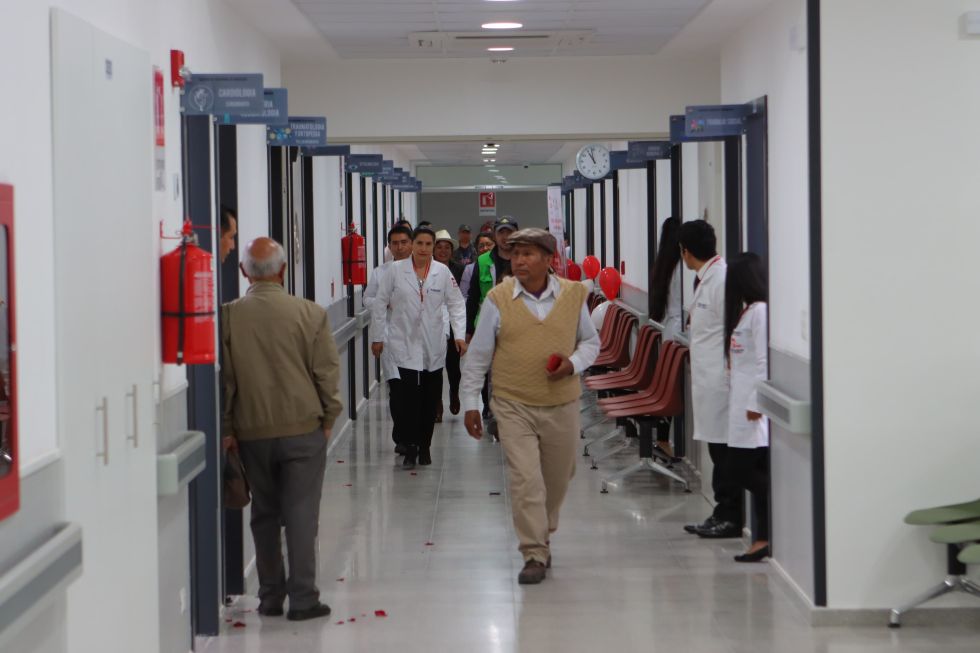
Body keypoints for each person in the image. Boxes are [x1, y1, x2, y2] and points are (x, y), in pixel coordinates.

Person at [462, 228, 599, 585]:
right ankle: (534, 551)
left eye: (528, 254)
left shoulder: (572, 295)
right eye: (515, 254)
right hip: (513, 404)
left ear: (548, 259)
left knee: (558, 477)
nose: (519, 260)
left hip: (561, 403)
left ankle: (543, 530)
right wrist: (471, 402)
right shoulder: (498, 299)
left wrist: (572, 364)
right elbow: (478, 355)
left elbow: (591, 343)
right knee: (525, 479)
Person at [220, 237, 343, 622]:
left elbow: (226, 382)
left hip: (252, 432)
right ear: (284, 270)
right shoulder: (310, 314)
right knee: (302, 515)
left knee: (265, 513)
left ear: (244, 272)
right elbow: (326, 373)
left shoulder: (227, 317)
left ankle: (270, 596)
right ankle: (303, 598)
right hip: (303, 429)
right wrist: (328, 418)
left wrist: (228, 428)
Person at [370, 226, 467, 469]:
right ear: (412, 245)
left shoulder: (442, 272)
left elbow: (456, 304)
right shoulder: (395, 270)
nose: (423, 248)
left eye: (428, 244)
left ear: (433, 247)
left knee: (429, 400)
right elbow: (380, 304)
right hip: (402, 343)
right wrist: (377, 337)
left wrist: (459, 335)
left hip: (433, 344)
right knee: (408, 401)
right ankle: (411, 447)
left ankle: (425, 446)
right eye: (419, 243)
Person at [678, 220, 741, 539]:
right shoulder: (706, 278)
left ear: (686, 252)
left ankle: (729, 516)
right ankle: (721, 512)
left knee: (724, 452)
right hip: (707, 379)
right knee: (718, 449)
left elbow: (734, 330)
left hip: (720, 381)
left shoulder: (721, 280)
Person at [724, 252, 770, 562]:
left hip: (751, 410)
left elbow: (764, 363)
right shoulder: (747, 311)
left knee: (739, 470)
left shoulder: (761, 312)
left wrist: (757, 403)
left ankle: (766, 535)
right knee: (745, 471)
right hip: (739, 403)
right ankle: (762, 539)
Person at [363, 224, 414, 453]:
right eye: (395, 243)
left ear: (411, 244)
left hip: (415, 337)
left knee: (414, 391)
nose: (400, 247)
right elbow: (367, 299)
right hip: (389, 338)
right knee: (397, 389)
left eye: (404, 242)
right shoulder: (380, 272)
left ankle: (414, 435)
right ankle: (401, 436)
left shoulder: (421, 270)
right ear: (389, 246)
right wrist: (385, 302)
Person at [648, 217, 683, 459]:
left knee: (670, 387)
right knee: (673, 390)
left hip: (669, 331)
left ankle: (663, 437)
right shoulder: (679, 267)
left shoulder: (663, 264)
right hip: (676, 332)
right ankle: (663, 439)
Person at [465, 216, 518, 337]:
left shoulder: (523, 258)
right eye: (501, 232)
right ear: (494, 235)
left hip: (517, 325)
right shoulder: (483, 260)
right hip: (487, 325)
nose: (505, 237)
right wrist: (469, 330)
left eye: (509, 232)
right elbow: (473, 296)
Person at [434, 229, 465, 419]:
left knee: (453, 364)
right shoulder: (428, 269)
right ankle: (437, 403)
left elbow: (462, 299)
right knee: (435, 365)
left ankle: (454, 393)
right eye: (439, 247)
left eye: (447, 247)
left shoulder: (460, 270)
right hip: (434, 321)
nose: (443, 251)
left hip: (453, 321)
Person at [460, 232, 495, 298]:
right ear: (476, 250)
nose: (485, 248)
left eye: (489, 244)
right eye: (481, 246)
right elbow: (463, 295)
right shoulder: (469, 269)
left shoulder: (501, 265)